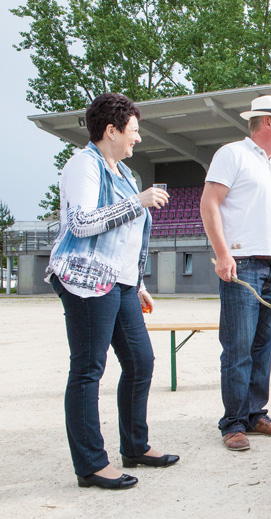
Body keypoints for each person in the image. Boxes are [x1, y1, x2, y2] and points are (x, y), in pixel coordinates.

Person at [46, 93, 178, 490]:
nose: (137, 139)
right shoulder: (82, 166)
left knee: (140, 363)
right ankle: (91, 465)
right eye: (133, 131)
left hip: (119, 284)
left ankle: (135, 445)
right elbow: (83, 223)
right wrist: (138, 202)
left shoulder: (122, 173)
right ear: (111, 130)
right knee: (88, 370)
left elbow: (125, 240)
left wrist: (137, 283)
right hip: (86, 282)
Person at [200, 95, 271, 451]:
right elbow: (209, 202)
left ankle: (255, 414)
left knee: (266, 342)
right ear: (268, 123)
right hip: (243, 264)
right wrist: (222, 254)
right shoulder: (232, 154)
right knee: (238, 346)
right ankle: (232, 422)